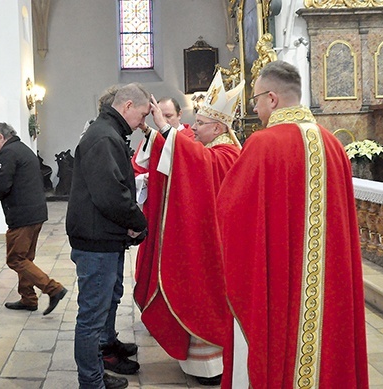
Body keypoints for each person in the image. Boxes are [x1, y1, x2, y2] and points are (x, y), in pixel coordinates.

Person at [216, 60, 369, 389]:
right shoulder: (333, 145)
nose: (255, 109)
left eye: (256, 100)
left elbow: (230, 211)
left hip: (280, 289)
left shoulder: (262, 145)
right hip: (329, 287)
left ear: (272, 99)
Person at [133, 71, 244, 386]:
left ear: (218, 127)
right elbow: (189, 159)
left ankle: (211, 366)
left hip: (217, 247)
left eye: (200, 124)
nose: (193, 128)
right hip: (211, 241)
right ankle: (200, 363)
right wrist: (156, 134)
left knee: (206, 298)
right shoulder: (214, 150)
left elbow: (196, 163)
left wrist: (165, 129)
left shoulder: (226, 154)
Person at [66, 82, 149, 389]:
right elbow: (110, 193)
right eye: (141, 115)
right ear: (127, 106)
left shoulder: (109, 132)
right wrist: (137, 221)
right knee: (91, 317)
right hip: (95, 240)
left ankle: (99, 371)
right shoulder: (103, 136)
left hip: (103, 236)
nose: (142, 123)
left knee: (103, 306)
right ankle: (91, 383)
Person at [0, 122, 67, 315]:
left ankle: (53, 289)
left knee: (15, 259)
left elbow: (3, 182)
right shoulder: (24, 149)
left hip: (22, 215)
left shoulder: (8, 153)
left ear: (1, 137)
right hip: (36, 212)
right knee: (25, 258)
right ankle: (28, 298)